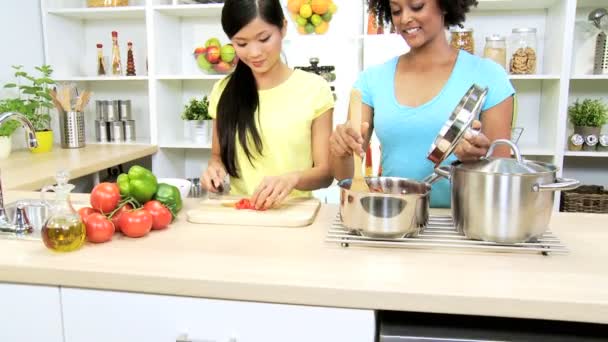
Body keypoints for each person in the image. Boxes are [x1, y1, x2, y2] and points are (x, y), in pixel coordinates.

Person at [330, 0, 515, 207]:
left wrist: (474, 162)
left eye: (417, 6)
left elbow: (503, 176)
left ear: (444, 5)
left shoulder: (488, 75)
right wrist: (342, 151)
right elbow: (345, 175)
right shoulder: (371, 80)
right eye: (396, 11)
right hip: (396, 221)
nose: (405, 18)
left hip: (464, 225)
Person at [201, 0, 334, 210]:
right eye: (241, 43)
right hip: (241, 213)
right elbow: (217, 157)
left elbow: (326, 173)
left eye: (264, 39)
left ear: (283, 27)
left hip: (296, 215)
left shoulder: (314, 89)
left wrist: (292, 179)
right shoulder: (223, 91)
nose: (254, 53)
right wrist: (214, 169)